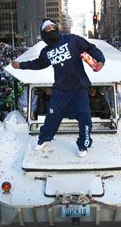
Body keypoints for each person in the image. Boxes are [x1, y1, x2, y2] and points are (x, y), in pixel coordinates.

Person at [12, 19, 105, 157]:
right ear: (43, 34)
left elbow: (90, 48)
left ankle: (84, 143)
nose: (51, 30)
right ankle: (44, 138)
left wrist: (100, 60)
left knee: (84, 115)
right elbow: (39, 64)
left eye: (53, 27)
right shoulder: (45, 52)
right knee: (52, 114)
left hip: (79, 86)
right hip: (60, 89)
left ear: (57, 28)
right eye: (47, 29)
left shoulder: (72, 40)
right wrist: (21, 65)